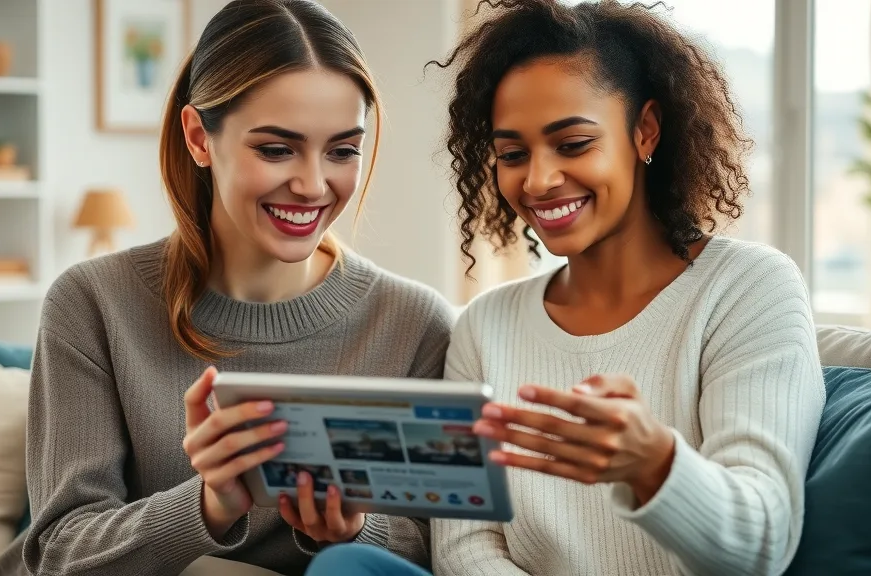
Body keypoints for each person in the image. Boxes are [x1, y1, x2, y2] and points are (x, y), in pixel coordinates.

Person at [304, 0, 826, 575]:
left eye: (573, 143)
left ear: (644, 131)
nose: (539, 180)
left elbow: (762, 545)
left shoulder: (748, 288)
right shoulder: (487, 327)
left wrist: (655, 462)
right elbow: (465, 548)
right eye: (512, 154)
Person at [0, 2, 453, 575]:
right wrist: (207, 505)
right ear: (200, 138)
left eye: (342, 150)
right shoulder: (93, 303)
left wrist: (356, 529)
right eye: (276, 149)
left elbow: (445, 545)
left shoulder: (415, 325)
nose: (312, 184)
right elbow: (59, 551)